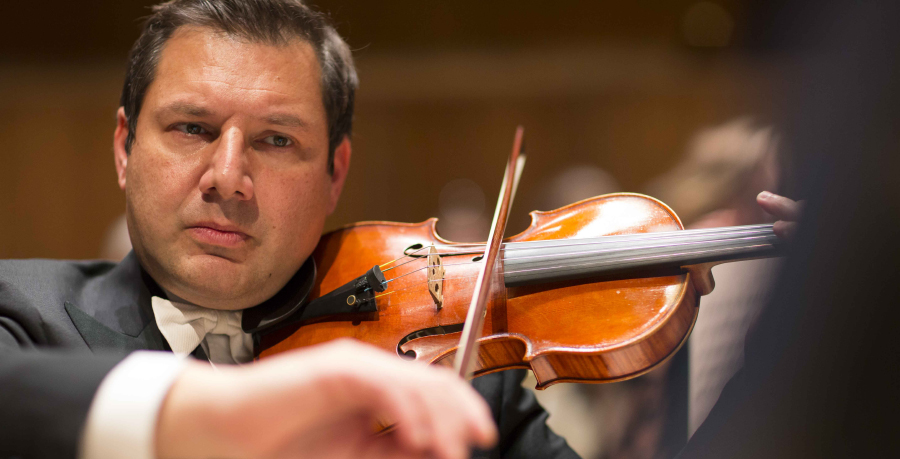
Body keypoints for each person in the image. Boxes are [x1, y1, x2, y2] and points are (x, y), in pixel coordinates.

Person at [0, 1, 578, 458]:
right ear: (125, 148)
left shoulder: (442, 372)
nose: (228, 178)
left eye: (277, 140)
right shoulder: (22, 316)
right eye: (192, 128)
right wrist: (209, 413)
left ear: (335, 173)